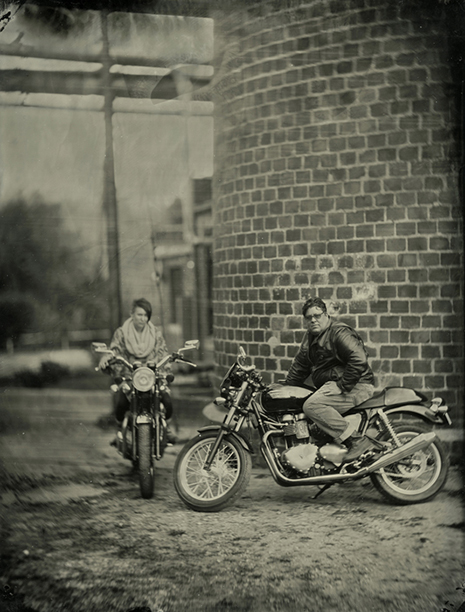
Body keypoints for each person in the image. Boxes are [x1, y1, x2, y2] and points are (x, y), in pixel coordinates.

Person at [271, 297, 376, 462]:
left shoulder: (338, 332)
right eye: (309, 317)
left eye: (317, 315)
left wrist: (342, 385)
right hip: (335, 385)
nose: (313, 320)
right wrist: (286, 387)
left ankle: (356, 441)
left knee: (312, 405)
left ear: (326, 315)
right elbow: (301, 364)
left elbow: (359, 359)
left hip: (357, 385)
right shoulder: (311, 337)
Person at [99, 297, 176, 443]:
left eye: (146, 315)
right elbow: (114, 349)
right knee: (121, 403)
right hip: (130, 375)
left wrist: (166, 368)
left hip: (152, 376)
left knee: (167, 401)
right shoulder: (121, 333)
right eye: (139, 315)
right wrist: (106, 358)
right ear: (132, 314)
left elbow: (162, 352)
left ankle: (166, 429)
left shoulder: (155, 333)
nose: (143, 318)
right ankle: (119, 433)